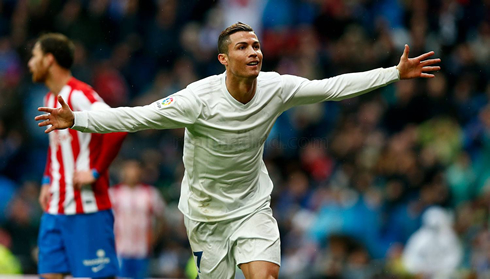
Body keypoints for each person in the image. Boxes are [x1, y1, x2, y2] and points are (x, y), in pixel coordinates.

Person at [35, 22, 441, 279]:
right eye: (244, 47)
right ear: (223, 58)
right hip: (206, 214)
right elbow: (139, 117)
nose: (254, 52)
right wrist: (80, 120)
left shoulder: (276, 87)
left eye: (257, 45)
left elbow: (332, 87)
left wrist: (394, 73)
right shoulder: (198, 99)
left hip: (251, 206)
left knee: (263, 275)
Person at [28, 33, 127, 279]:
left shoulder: (79, 94)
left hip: (87, 208)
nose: (30, 63)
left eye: (35, 56)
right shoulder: (50, 99)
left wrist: (95, 171)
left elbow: (118, 127)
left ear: (49, 60)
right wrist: (46, 181)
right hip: (54, 208)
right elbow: (57, 145)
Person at [109, 160, 166, 279]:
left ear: (140, 172)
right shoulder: (113, 194)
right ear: (122, 172)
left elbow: (161, 218)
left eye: (135, 169)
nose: (132, 173)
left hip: (143, 250)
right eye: (128, 170)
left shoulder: (150, 193)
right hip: (120, 249)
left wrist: (154, 239)